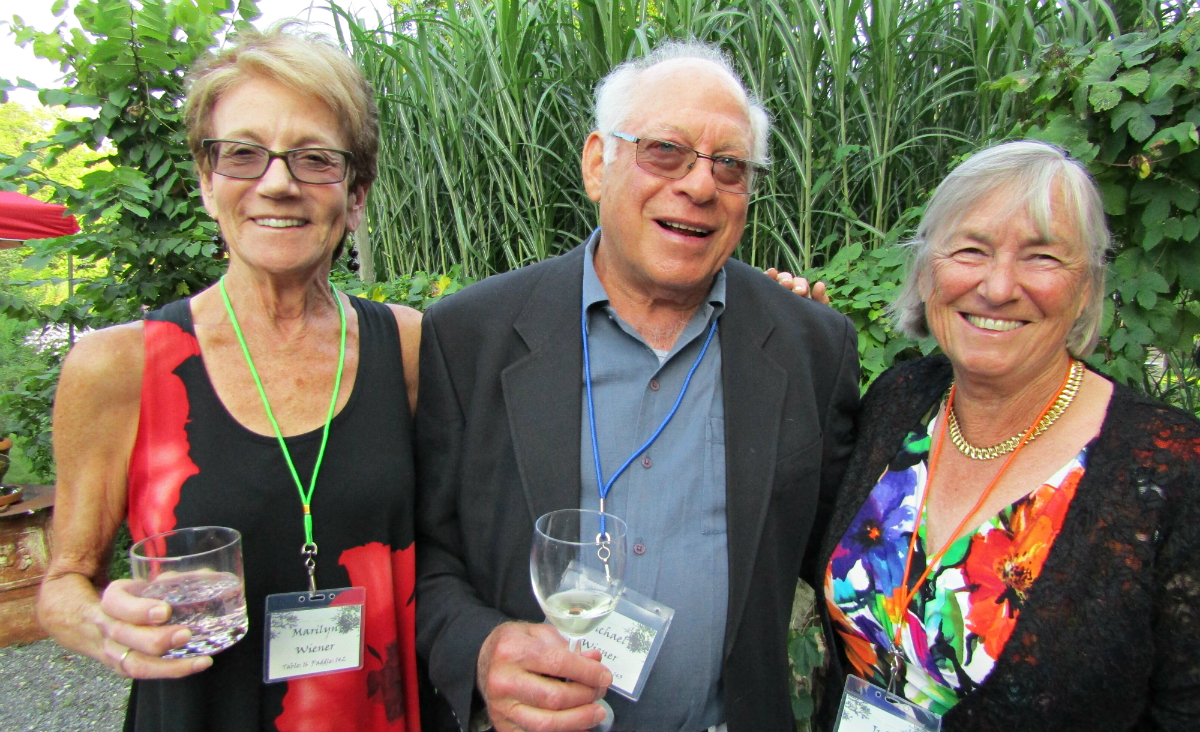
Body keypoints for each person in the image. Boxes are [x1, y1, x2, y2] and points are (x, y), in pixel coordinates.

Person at [414, 40, 860, 732]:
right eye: (665, 152)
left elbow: (844, 556)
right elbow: (425, 556)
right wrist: (479, 652)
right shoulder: (469, 338)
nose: (700, 186)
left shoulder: (811, 349)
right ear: (598, 163)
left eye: (730, 166)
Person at [37, 25, 424, 732]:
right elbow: (64, 581)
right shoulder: (121, 367)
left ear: (356, 195)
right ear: (208, 184)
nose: (277, 182)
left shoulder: (403, 345)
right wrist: (110, 629)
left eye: (314, 158)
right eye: (243, 154)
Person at [816, 141, 1200, 730]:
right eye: (971, 249)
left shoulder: (1170, 474)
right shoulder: (899, 401)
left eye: (1041, 257)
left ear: (1089, 290)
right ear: (925, 272)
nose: (997, 287)